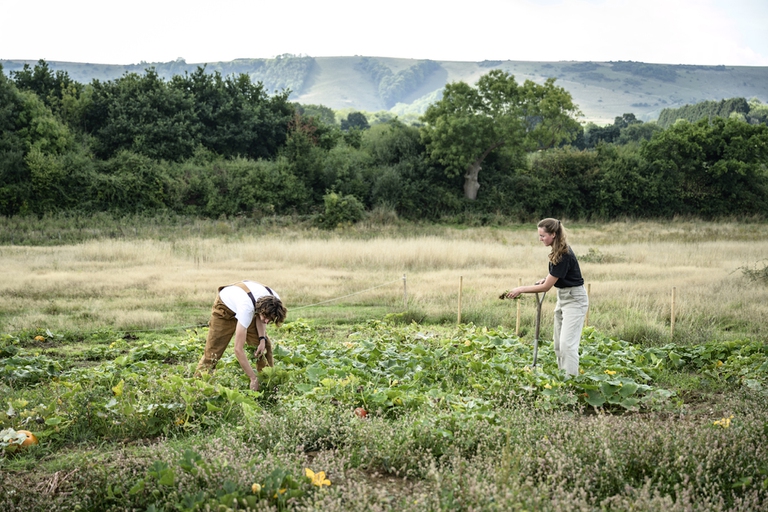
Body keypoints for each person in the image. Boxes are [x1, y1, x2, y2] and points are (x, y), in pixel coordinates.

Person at [506, 219, 588, 376]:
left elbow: (546, 287)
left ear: (553, 234)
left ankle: (571, 382)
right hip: (563, 297)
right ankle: (563, 376)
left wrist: (520, 289)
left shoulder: (564, 254)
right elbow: (555, 275)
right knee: (558, 344)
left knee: (567, 345)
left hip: (575, 300)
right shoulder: (556, 251)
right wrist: (546, 277)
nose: (540, 239)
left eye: (543, 236)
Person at [195, 280, 287, 391]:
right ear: (260, 310)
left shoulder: (275, 302)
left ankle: (268, 385)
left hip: (248, 303)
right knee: (212, 353)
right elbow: (238, 349)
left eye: (270, 319)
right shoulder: (246, 309)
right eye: (266, 317)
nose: (267, 321)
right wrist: (252, 378)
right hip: (225, 309)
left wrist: (262, 339)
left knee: (264, 347)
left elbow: (260, 318)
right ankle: (197, 389)